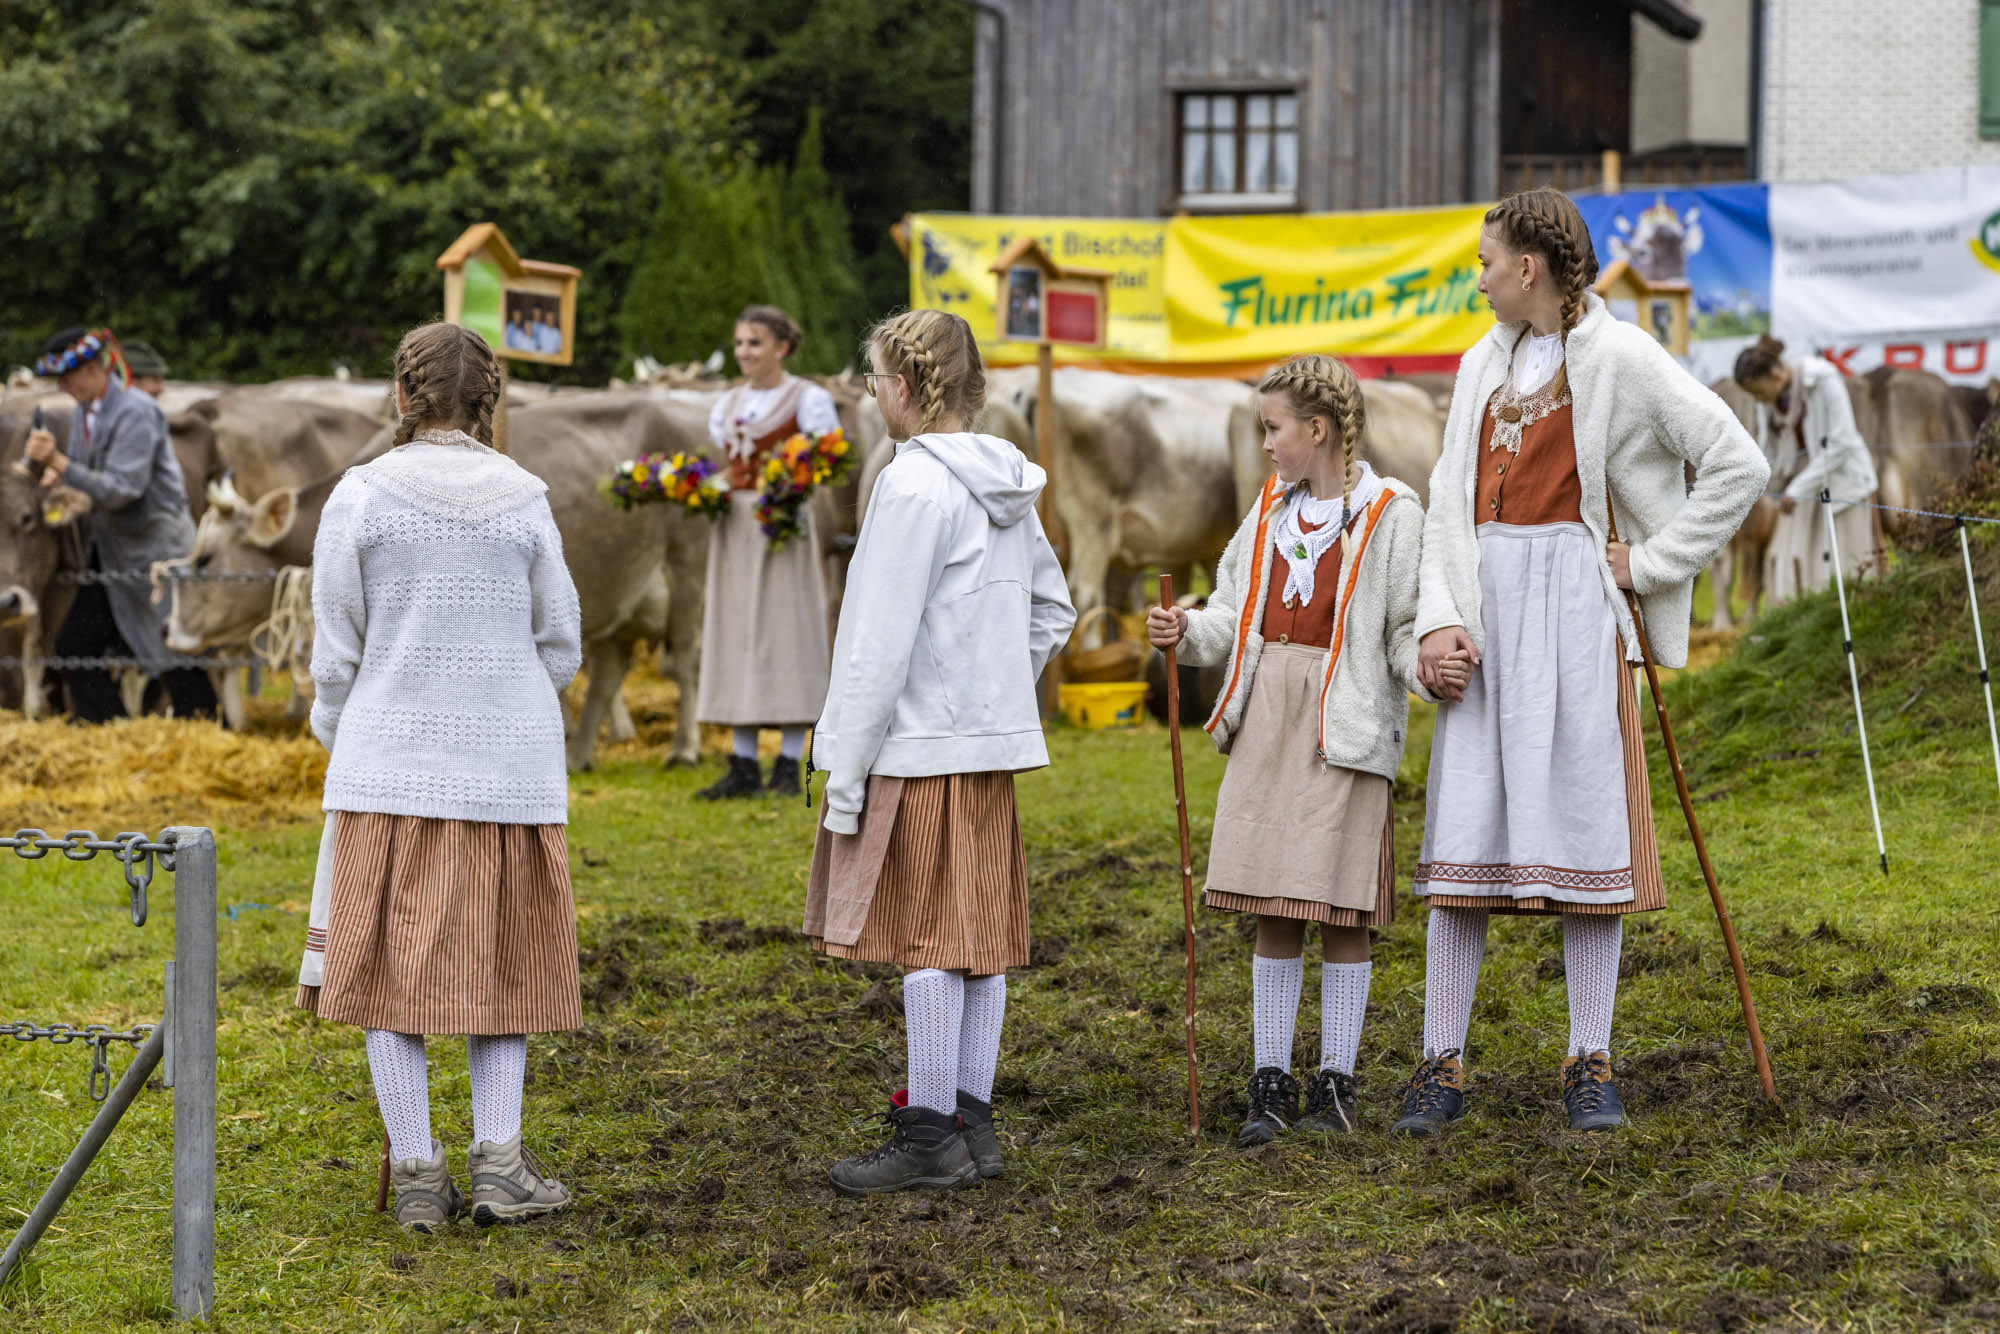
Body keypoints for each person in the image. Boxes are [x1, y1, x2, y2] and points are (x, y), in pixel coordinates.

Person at [1399, 190, 1767, 1136]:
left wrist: (1652, 563)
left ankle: (1589, 1058)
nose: (1479, 279)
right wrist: (1439, 620)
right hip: (1486, 620)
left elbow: (1738, 463)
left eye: (1486, 263)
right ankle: (1441, 1062)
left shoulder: (1623, 357)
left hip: (1576, 619)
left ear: (1528, 268)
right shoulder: (1479, 365)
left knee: (1588, 825)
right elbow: (1446, 506)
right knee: (1464, 834)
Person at [297, 321, 585, 1233]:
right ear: (489, 401)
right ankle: (499, 1162)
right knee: (503, 962)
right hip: (507, 774)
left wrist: (345, 734)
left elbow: (335, 654)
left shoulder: (360, 496)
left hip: (387, 768)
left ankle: (420, 1172)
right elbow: (561, 643)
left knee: (389, 971)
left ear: (401, 395)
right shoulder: (525, 497)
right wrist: (502, 704)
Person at [1149, 355, 1453, 1146]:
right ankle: (1271, 1080)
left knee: (1341, 909)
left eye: (1272, 428)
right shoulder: (1268, 512)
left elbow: (1400, 627)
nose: (1264, 444)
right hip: (1267, 722)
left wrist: (1424, 666)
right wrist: (1187, 631)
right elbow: (1232, 613)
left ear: (1316, 430)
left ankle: (1336, 1083)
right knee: (1272, 906)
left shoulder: (1392, 512)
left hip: (1342, 725)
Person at [804, 308, 1074, 1195]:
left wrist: (844, 767)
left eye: (875, 380)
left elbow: (876, 642)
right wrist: (992, 688)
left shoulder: (911, 484)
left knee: (926, 934)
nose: (872, 394)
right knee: (977, 937)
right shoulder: (1007, 482)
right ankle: (971, 1121)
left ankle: (929, 1134)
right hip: (982, 749)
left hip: (917, 747)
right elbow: (1053, 610)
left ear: (907, 388)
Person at [24, 326, 218, 722]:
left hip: (155, 550)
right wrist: (56, 479)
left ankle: (204, 729)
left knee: (174, 647)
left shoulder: (136, 410)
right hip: (112, 550)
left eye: (67, 376)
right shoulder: (84, 410)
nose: (62, 386)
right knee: (75, 646)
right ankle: (112, 730)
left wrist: (58, 461)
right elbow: (87, 476)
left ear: (94, 368)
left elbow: (122, 489)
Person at [695, 305, 840, 799]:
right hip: (735, 526)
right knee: (736, 631)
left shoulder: (808, 400)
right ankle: (742, 761)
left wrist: (788, 486)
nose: (744, 352)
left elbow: (823, 462)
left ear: (782, 347)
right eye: (740, 343)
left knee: (786, 629)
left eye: (754, 343)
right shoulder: (728, 402)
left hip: (782, 523)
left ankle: (788, 760)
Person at [1732, 336, 1879, 605]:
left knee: (1846, 564)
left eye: (1759, 393)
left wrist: (1796, 490)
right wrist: (1764, 479)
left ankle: (1851, 617)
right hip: (1801, 487)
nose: (1758, 400)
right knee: (1794, 564)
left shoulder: (1823, 379)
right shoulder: (1768, 400)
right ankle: (1806, 622)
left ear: (1776, 375)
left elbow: (1842, 442)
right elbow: (1768, 445)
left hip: (1841, 485)